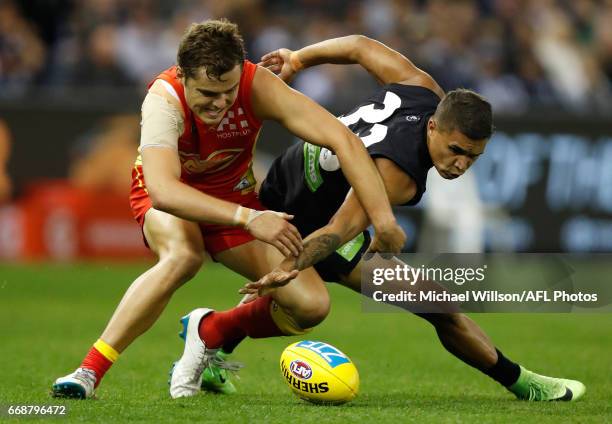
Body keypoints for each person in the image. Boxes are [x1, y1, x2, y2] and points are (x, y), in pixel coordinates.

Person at [198, 35, 585, 401]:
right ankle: (210, 330)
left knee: (436, 303)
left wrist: (300, 57)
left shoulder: (421, 87)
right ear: (433, 125)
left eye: (473, 157)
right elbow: (338, 231)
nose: (461, 164)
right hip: (297, 213)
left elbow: (360, 47)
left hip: (295, 179)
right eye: (455, 150)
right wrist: (290, 266)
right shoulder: (397, 175)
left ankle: (214, 336)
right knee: (343, 305)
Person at [51, 20, 405, 399]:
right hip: (176, 199)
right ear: (183, 75)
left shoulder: (257, 86)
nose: (220, 103)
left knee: (311, 305)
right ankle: (88, 372)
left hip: (236, 200)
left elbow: (343, 140)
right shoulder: (163, 98)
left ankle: (210, 332)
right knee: (183, 257)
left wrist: (384, 219)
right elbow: (165, 191)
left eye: (228, 91)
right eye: (207, 92)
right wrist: (250, 219)